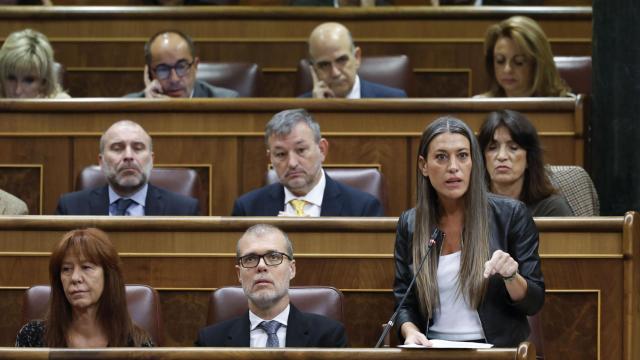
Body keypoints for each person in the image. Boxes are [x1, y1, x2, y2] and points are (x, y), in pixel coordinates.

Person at [393, 116, 544, 347]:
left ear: (474, 162)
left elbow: (533, 303)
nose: (453, 167)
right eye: (441, 157)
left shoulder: (511, 215)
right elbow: (404, 301)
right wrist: (410, 331)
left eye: (462, 156)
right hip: (432, 350)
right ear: (424, 166)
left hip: (496, 352)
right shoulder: (410, 223)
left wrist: (511, 277)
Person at [195, 224, 348, 347]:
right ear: (239, 274)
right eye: (250, 259)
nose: (261, 266)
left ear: (292, 269)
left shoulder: (328, 337)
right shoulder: (210, 341)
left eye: (273, 257)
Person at [15, 228, 153, 347]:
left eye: (86, 267)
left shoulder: (136, 344)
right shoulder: (32, 338)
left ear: (108, 276)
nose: (75, 278)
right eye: (66, 269)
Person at [231, 109, 384, 216]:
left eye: (301, 150)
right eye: (281, 154)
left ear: (322, 150)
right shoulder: (248, 209)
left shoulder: (363, 209)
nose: (292, 163)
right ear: (270, 158)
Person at [56, 120, 199, 216]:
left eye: (138, 148)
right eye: (117, 148)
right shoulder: (71, 209)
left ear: (151, 159)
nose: (128, 156)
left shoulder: (184, 210)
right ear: (101, 161)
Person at [478, 110, 573, 216]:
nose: (501, 156)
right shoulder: (472, 206)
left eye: (513, 148)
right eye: (492, 148)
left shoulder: (552, 209)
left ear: (529, 158)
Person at [301, 22, 407, 99]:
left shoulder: (393, 100)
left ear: (356, 57)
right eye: (324, 65)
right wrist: (316, 110)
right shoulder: (299, 110)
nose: (335, 73)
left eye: (342, 60)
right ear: (314, 70)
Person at [124, 30, 238, 99]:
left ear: (195, 66)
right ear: (150, 74)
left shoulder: (227, 103)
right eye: (163, 70)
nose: (174, 79)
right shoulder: (128, 107)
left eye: (181, 67)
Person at [477, 16, 571, 98]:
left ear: (537, 64)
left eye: (519, 62)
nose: (507, 69)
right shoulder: (478, 105)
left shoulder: (565, 107)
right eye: (500, 61)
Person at [0, 29, 70, 99]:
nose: (17, 91)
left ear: (44, 83)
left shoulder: (61, 104)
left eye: (29, 80)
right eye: (11, 78)